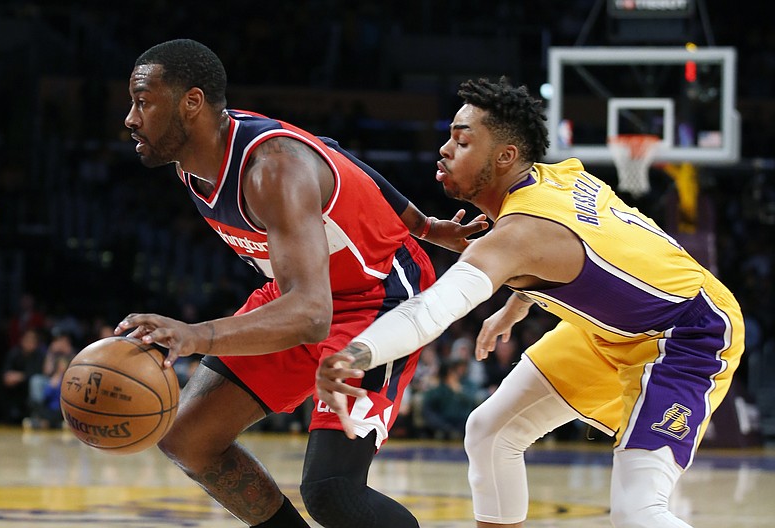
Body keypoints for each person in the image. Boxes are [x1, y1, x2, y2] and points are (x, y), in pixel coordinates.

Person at [316, 77, 745, 528]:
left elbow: (430, 311)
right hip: (609, 330)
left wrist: (355, 353)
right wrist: (516, 305)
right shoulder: (556, 176)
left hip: (689, 334)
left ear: (505, 156)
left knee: (637, 512)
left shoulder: (518, 234)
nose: (444, 149)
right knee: (490, 432)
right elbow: (579, 252)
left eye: (461, 141)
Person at [114, 39, 487, 528]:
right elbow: (333, 153)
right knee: (188, 438)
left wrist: (193, 334)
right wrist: (424, 223)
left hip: (378, 299)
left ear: (192, 103)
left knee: (332, 492)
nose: (130, 118)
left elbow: (312, 316)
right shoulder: (196, 160)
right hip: (298, 295)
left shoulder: (273, 167)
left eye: (143, 101)